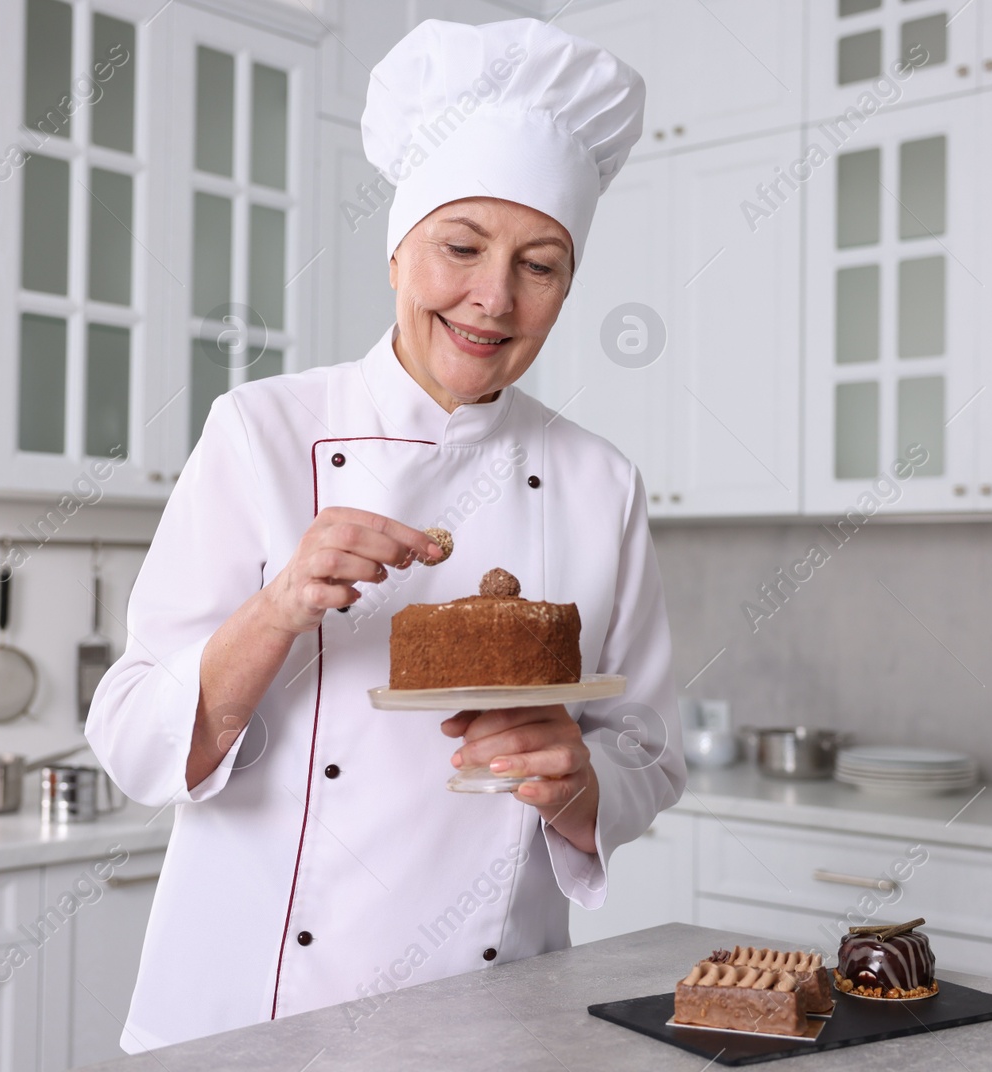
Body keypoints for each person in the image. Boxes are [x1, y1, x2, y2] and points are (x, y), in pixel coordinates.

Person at [85, 16, 685, 1052]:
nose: (493, 298)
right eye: (461, 247)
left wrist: (581, 785)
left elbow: (650, 753)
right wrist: (276, 610)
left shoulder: (599, 480)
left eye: (539, 264)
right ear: (398, 246)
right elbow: (133, 738)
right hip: (255, 1016)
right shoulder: (261, 432)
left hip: (487, 1019)